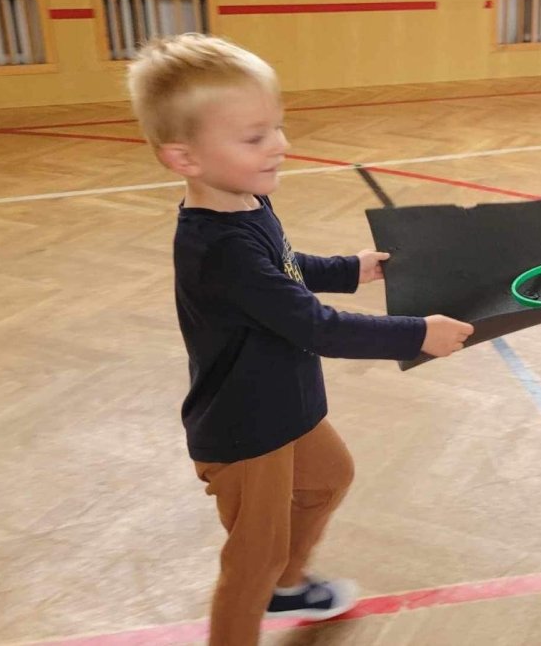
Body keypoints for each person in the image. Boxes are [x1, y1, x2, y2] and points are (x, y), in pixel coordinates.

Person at [127, 33, 472, 643]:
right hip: (245, 430)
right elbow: (315, 325)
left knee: (327, 478)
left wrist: (349, 268)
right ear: (185, 158)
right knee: (252, 558)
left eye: (277, 127)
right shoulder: (217, 248)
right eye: (254, 137)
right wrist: (417, 334)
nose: (280, 145)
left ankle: (287, 590)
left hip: (283, 401)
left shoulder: (246, 203)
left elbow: (282, 267)